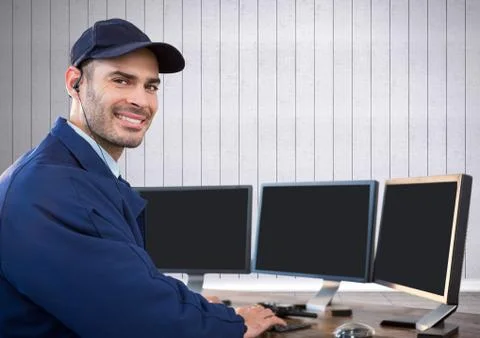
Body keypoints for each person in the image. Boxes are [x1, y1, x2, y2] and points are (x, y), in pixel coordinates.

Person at [0, 18, 285, 337]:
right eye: (121, 80)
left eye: (150, 86)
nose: (141, 100)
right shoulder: (51, 189)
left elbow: (136, 283)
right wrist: (234, 323)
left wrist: (205, 309)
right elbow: (138, 321)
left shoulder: (83, 174)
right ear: (74, 83)